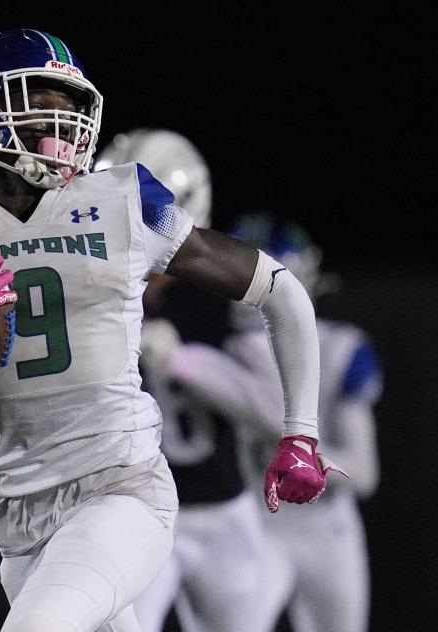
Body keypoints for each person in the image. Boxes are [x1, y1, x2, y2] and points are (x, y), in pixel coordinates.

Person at [0, 29, 338, 632]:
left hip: (121, 491)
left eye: (72, 110)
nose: (65, 124)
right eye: (43, 103)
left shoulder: (122, 198)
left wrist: (300, 433)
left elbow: (281, 290)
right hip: (22, 522)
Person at [95, 130, 284, 632]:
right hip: (135, 514)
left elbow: (273, 409)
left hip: (222, 509)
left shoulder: (223, 297)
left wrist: (185, 362)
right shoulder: (93, 293)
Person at [222, 212, 381, 632]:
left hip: (327, 528)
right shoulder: (223, 349)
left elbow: (362, 473)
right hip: (257, 522)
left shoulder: (339, 349)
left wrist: (295, 443)